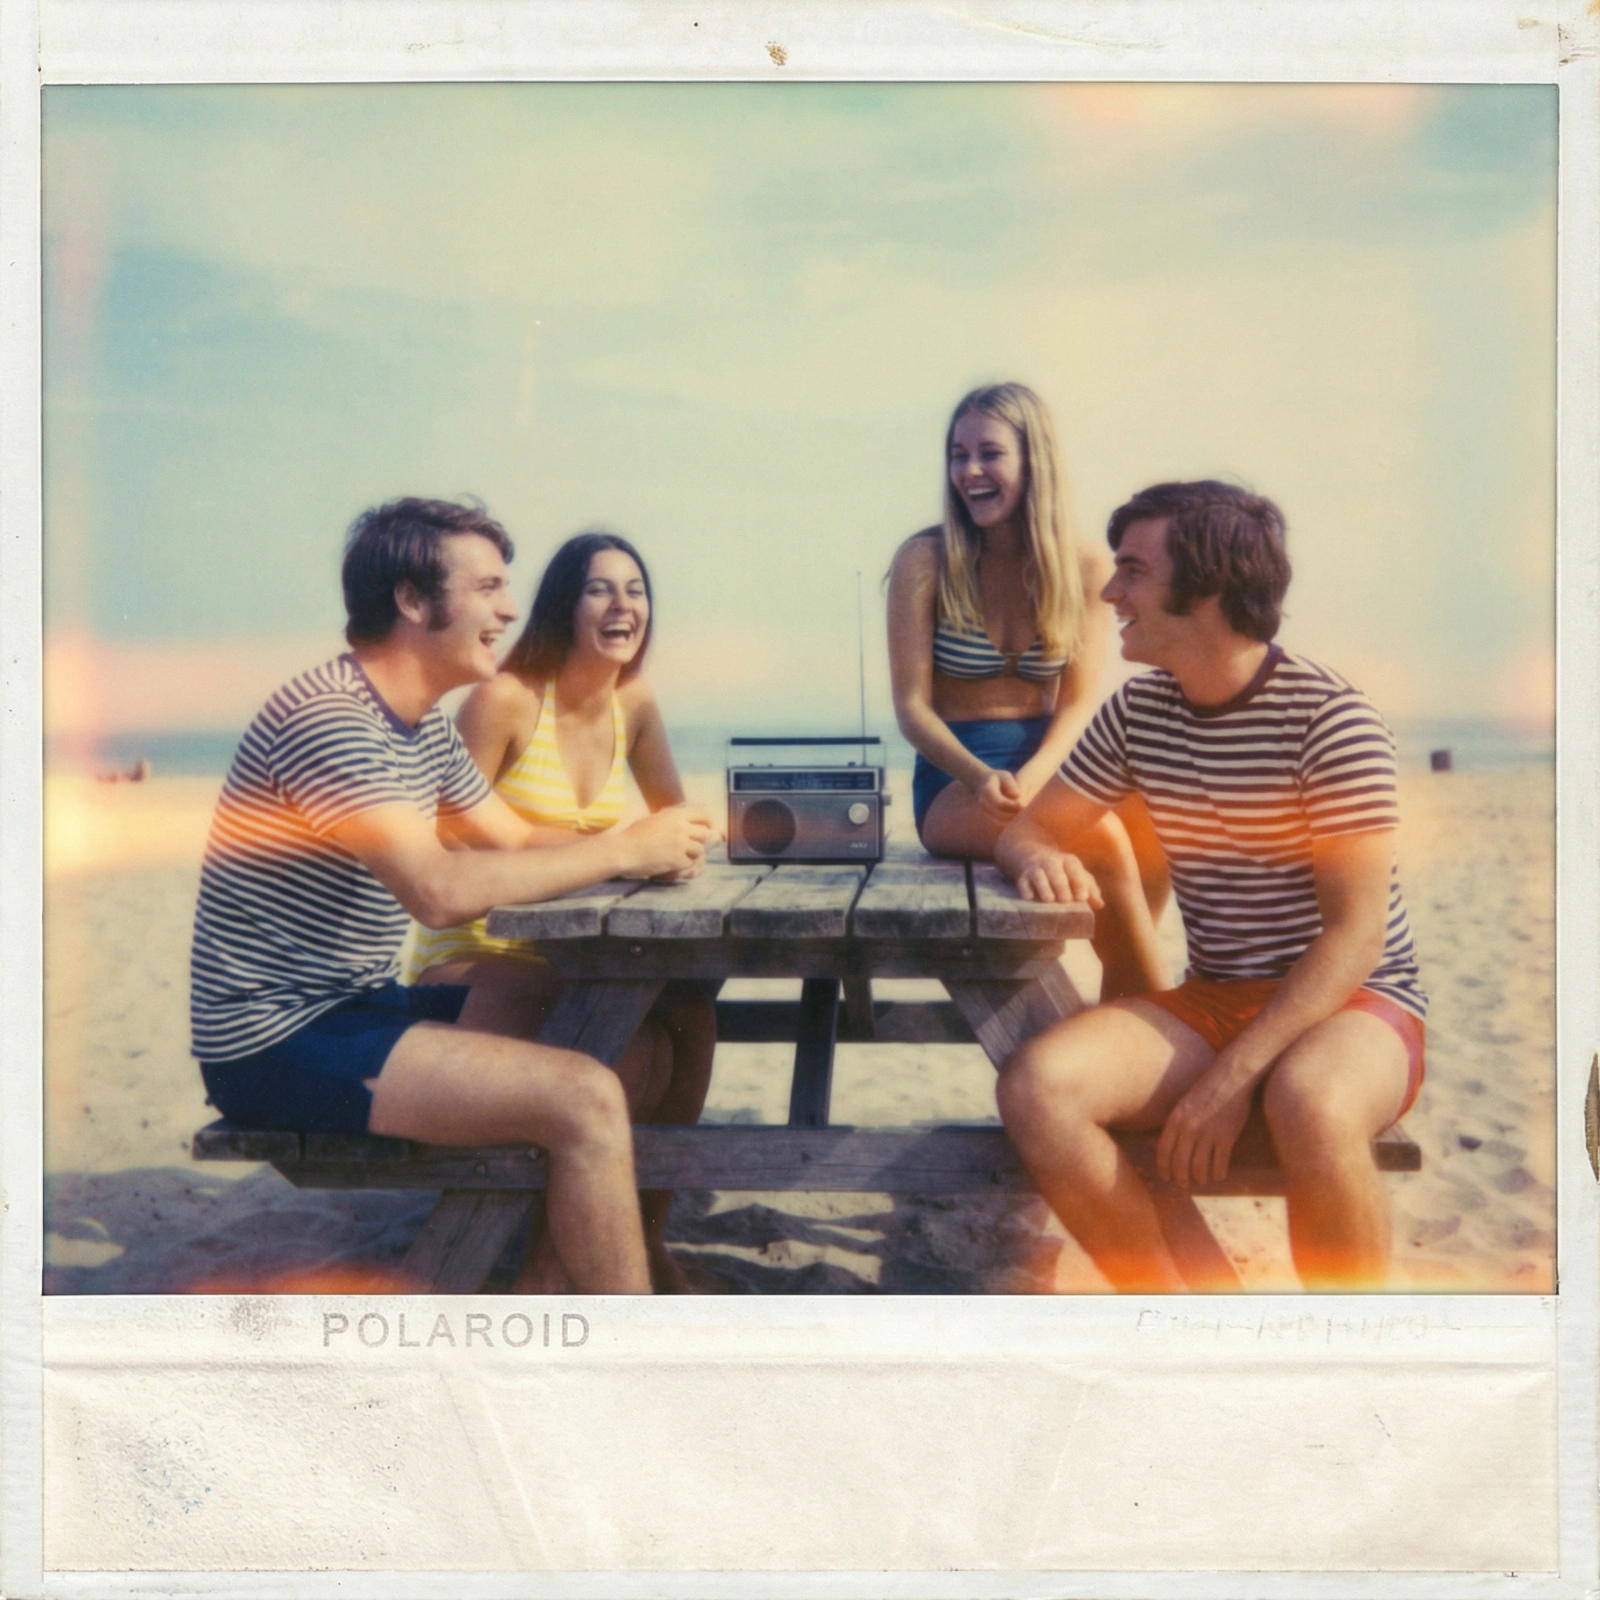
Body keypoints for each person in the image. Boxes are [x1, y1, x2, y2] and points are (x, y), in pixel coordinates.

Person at [189, 498, 715, 1295]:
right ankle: (632, 1348)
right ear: (411, 599)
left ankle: (546, 1279)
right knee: (585, 1098)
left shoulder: (421, 725)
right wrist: (619, 849)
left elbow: (513, 838)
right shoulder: (331, 718)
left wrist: (650, 847)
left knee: (635, 1036)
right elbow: (437, 891)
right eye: (488, 588)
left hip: (361, 1004)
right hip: (277, 1041)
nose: (509, 610)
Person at [993, 480, 1428, 1292]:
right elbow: (1029, 828)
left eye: (1133, 571)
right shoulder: (1139, 710)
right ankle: (1180, 1319)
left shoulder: (1332, 718)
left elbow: (1356, 937)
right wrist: (1034, 859)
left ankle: (1353, 1339)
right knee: (1038, 1088)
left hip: (1353, 1002)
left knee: (1311, 1102)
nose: (1109, 593)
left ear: (1208, 590)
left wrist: (1231, 1082)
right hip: (1219, 997)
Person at [406, 530, 717, 1293]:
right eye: (599, 589)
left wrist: (678, 846)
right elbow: (451, 836)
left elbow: (673, 818)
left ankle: (647, 1237)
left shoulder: (634, 703)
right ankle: (544, 1270)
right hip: (475, 956)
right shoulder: (505, 699)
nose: (622, 606)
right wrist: (613, 848)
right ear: (562, 607)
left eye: (635, 590)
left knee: (689, 1012)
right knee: (627, 1045)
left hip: (572, 954)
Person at [885, 382, 1168, 1000]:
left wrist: (1040, 774)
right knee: (1101, 836)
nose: (970, 471)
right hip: (957, 781)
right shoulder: (924, 561)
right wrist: (979, 776)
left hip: (1052, 763)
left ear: (1034, 459)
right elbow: (911, 708)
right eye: (958, 455)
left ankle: (1126, 1001)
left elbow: (1077, 704)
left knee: (1154, 819)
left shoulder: (1087, 568)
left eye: (989, 453)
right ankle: (1156, 1009)